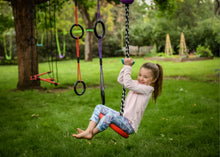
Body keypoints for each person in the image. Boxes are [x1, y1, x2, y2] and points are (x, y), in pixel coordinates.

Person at [72, 58, 163, 139]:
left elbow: (128, 84)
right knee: (99, 107)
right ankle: (88, 130)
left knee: (109, 116)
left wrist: (128, 67)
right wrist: (125, 67)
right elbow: (121, 80)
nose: (141, 78)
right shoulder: (136, 84)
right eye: (140, 75)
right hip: (123, 118)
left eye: (145, 77)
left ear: (154, 79)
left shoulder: (147, 89)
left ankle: (92, 133)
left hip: (129, 125)